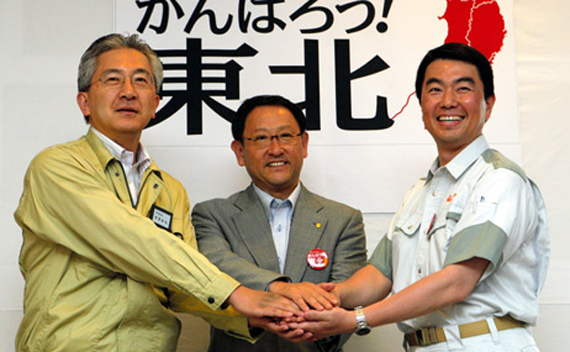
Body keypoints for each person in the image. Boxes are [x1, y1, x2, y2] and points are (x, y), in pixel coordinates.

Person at [13, 34, 300, 352]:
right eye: (112, 80)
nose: (128, 92)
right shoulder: (56, 166)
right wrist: (238, 293)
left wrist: (250, 317)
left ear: (155, 104)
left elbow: (179, 287)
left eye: (141, 81)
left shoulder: (169, 190)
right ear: (84, 101)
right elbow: (129, 238)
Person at [289, 43, 550, 351]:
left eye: (462, 88)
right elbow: (378, 276)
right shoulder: (419, 192)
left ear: (488, 105)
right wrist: (331, 297)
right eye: (435, 90)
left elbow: (457, 282)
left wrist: (356, 319)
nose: (448, 102)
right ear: (422, 108)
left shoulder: (499, 179)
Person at [192, 95, 368, 351]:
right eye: (261, 138)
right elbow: (216, 266)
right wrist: (282, 289)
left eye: (285, 136)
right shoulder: (211, 215)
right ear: (240, 151)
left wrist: (308, 326)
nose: (276, 149)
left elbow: (346, 300)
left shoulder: (343, 220)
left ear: (304, 144)